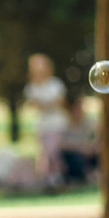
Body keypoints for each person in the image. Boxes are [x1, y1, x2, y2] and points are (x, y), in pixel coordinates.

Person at [23, 54, 71, 191]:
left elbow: (60, 102)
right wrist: (49, 104)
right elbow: (35, 105)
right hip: (43, 126)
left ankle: (57, 178)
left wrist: (44, 105)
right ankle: (52, 179)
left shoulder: (55, 83)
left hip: (58, 125)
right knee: (46, 153)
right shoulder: (31, 87)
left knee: (53, 152)